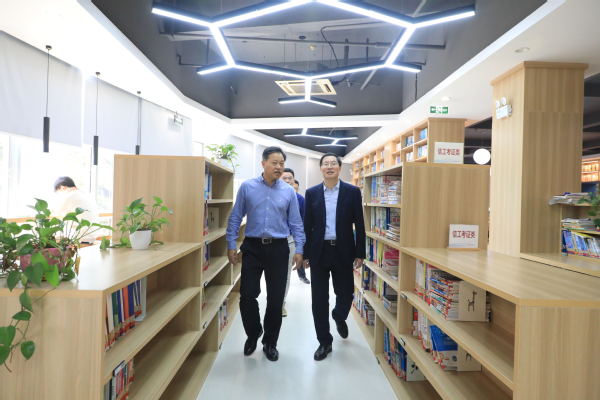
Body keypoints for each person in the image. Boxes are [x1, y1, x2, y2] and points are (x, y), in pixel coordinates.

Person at [226, 147, 305, 362]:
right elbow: (235, 217)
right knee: (247, 295)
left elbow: (296, 223)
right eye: (274, 163)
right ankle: (253, 333)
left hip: (279, 248)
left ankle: (270, 342)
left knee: (276, 299)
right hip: (252, 247)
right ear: (263, 163)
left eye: (282, 163)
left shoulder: (289, 192)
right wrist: (231, 244)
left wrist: (299, 249)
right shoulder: (248, 187)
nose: (279, 167)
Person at [303, 153, 366, 361]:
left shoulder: (352, 192)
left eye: (333, 163)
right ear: (321, 168)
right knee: (319, 299)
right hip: (319, 251)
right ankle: (324, 342)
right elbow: (307, 225)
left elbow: (360, 224)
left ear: (339, 167)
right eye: (325, 164)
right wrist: (305, 253)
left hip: (343, 250)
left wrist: (360, 252)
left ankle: (339, 316)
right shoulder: (311, 193)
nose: (329, 166)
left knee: (346, 294)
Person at [280, 168, 310, 317]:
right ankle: (273, 299)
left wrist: (301, 248)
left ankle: (281, 303)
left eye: (290, 178)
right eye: (284, 178)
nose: (287, 180)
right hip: (272, 240)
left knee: (285, 274)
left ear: (294, 180)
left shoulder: (300, 200)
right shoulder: (272, 195)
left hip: (289, 240)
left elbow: (303, 225)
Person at [53, 176, 99, 243]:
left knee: (53, 237)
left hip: (81, 237)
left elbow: (57, 212)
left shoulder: (69, 196)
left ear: (62, 188)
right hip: (94, 235)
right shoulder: (87, 195)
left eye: (58, 192)